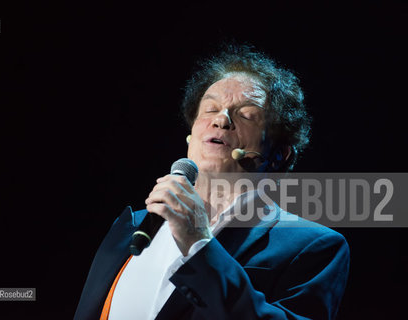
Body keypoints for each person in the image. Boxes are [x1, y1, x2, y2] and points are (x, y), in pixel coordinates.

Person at [74, 43, 349, 320]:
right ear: (191, 136)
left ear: (279, 155)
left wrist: (198, 243)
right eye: (210, 109)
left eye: (246, 114)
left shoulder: (314, 247)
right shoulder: (133, 226)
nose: (221, 119)